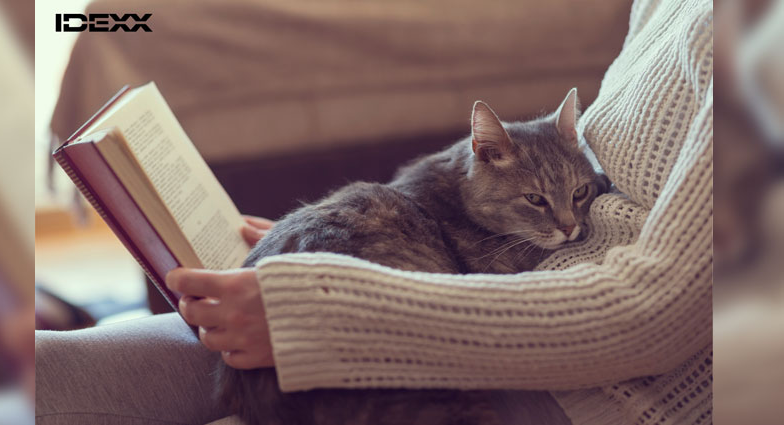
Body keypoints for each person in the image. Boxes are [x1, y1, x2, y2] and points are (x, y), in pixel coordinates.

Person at [36, 0, 713, 423]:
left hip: (581, 387)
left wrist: (332, 308)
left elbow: (652, 314)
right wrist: (340, 250)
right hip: (465, 307)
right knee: (43, 373)